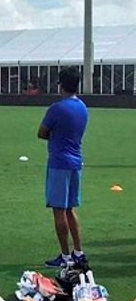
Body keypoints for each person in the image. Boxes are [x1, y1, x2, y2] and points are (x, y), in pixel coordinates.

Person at [38, 67, 88, 268]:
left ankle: (65, 256)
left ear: (61, 85)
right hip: (76, 161)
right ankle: (78, 252)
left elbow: (41, 133)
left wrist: (55, 136)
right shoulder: (83, 107)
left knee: (59, 210)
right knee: (70, 209)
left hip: (59, 162)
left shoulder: (57, 108)